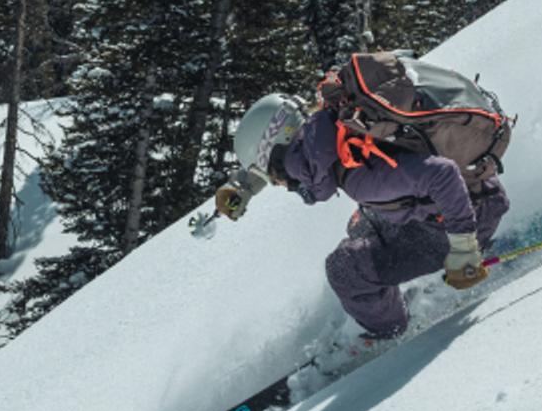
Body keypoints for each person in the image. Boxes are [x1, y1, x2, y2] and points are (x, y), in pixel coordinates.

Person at [213, 87, 510, 341]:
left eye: (273, 177)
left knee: (344, 270)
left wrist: (464, 250)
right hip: (475, 197)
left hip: (458, 221)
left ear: (281, 158)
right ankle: (395, 296)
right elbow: (283, 149)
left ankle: (390, 333)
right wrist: (244, 186)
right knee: (359, 227)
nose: (279, 185)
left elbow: (442, 174)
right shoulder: (332, 123)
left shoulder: (360, 178)